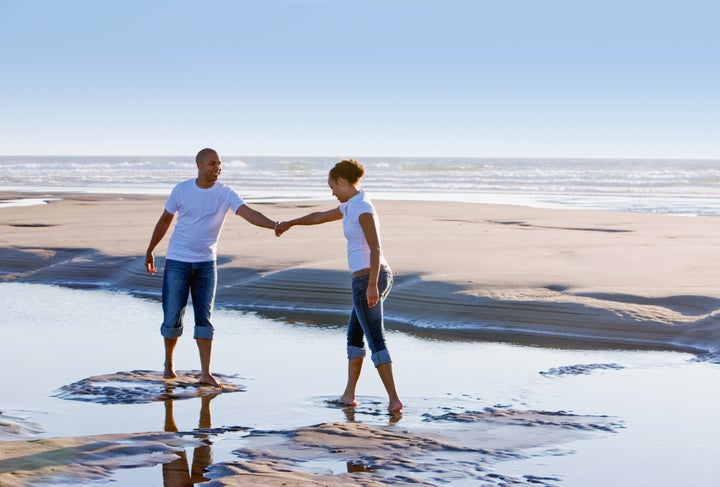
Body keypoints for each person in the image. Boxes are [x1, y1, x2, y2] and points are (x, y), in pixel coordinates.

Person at [275, 159, 403, 414]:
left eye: (332, 185)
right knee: (355, 336)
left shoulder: (362, 208)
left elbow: (376, 247)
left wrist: (371, 287)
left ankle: (394, 400)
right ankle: (349, 395)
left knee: (375, 337)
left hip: (369, 278)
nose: (331, 191)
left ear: (342, 181)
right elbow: (319, 216)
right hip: (367, 278)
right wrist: (292, 222)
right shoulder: (349, 206)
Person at [145, 148, 277, 388]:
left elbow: (248, 213)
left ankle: (205, 372)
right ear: (199, 165)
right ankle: (168, 364)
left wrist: (274, 225)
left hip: (206, 263)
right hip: (177, 261)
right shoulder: (182, 190)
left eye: (219, 164)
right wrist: (150, 249)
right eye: (212, 164)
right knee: (172, 315)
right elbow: (165, 220)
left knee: (204, 318)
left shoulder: (225, 193)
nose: (217, 168)